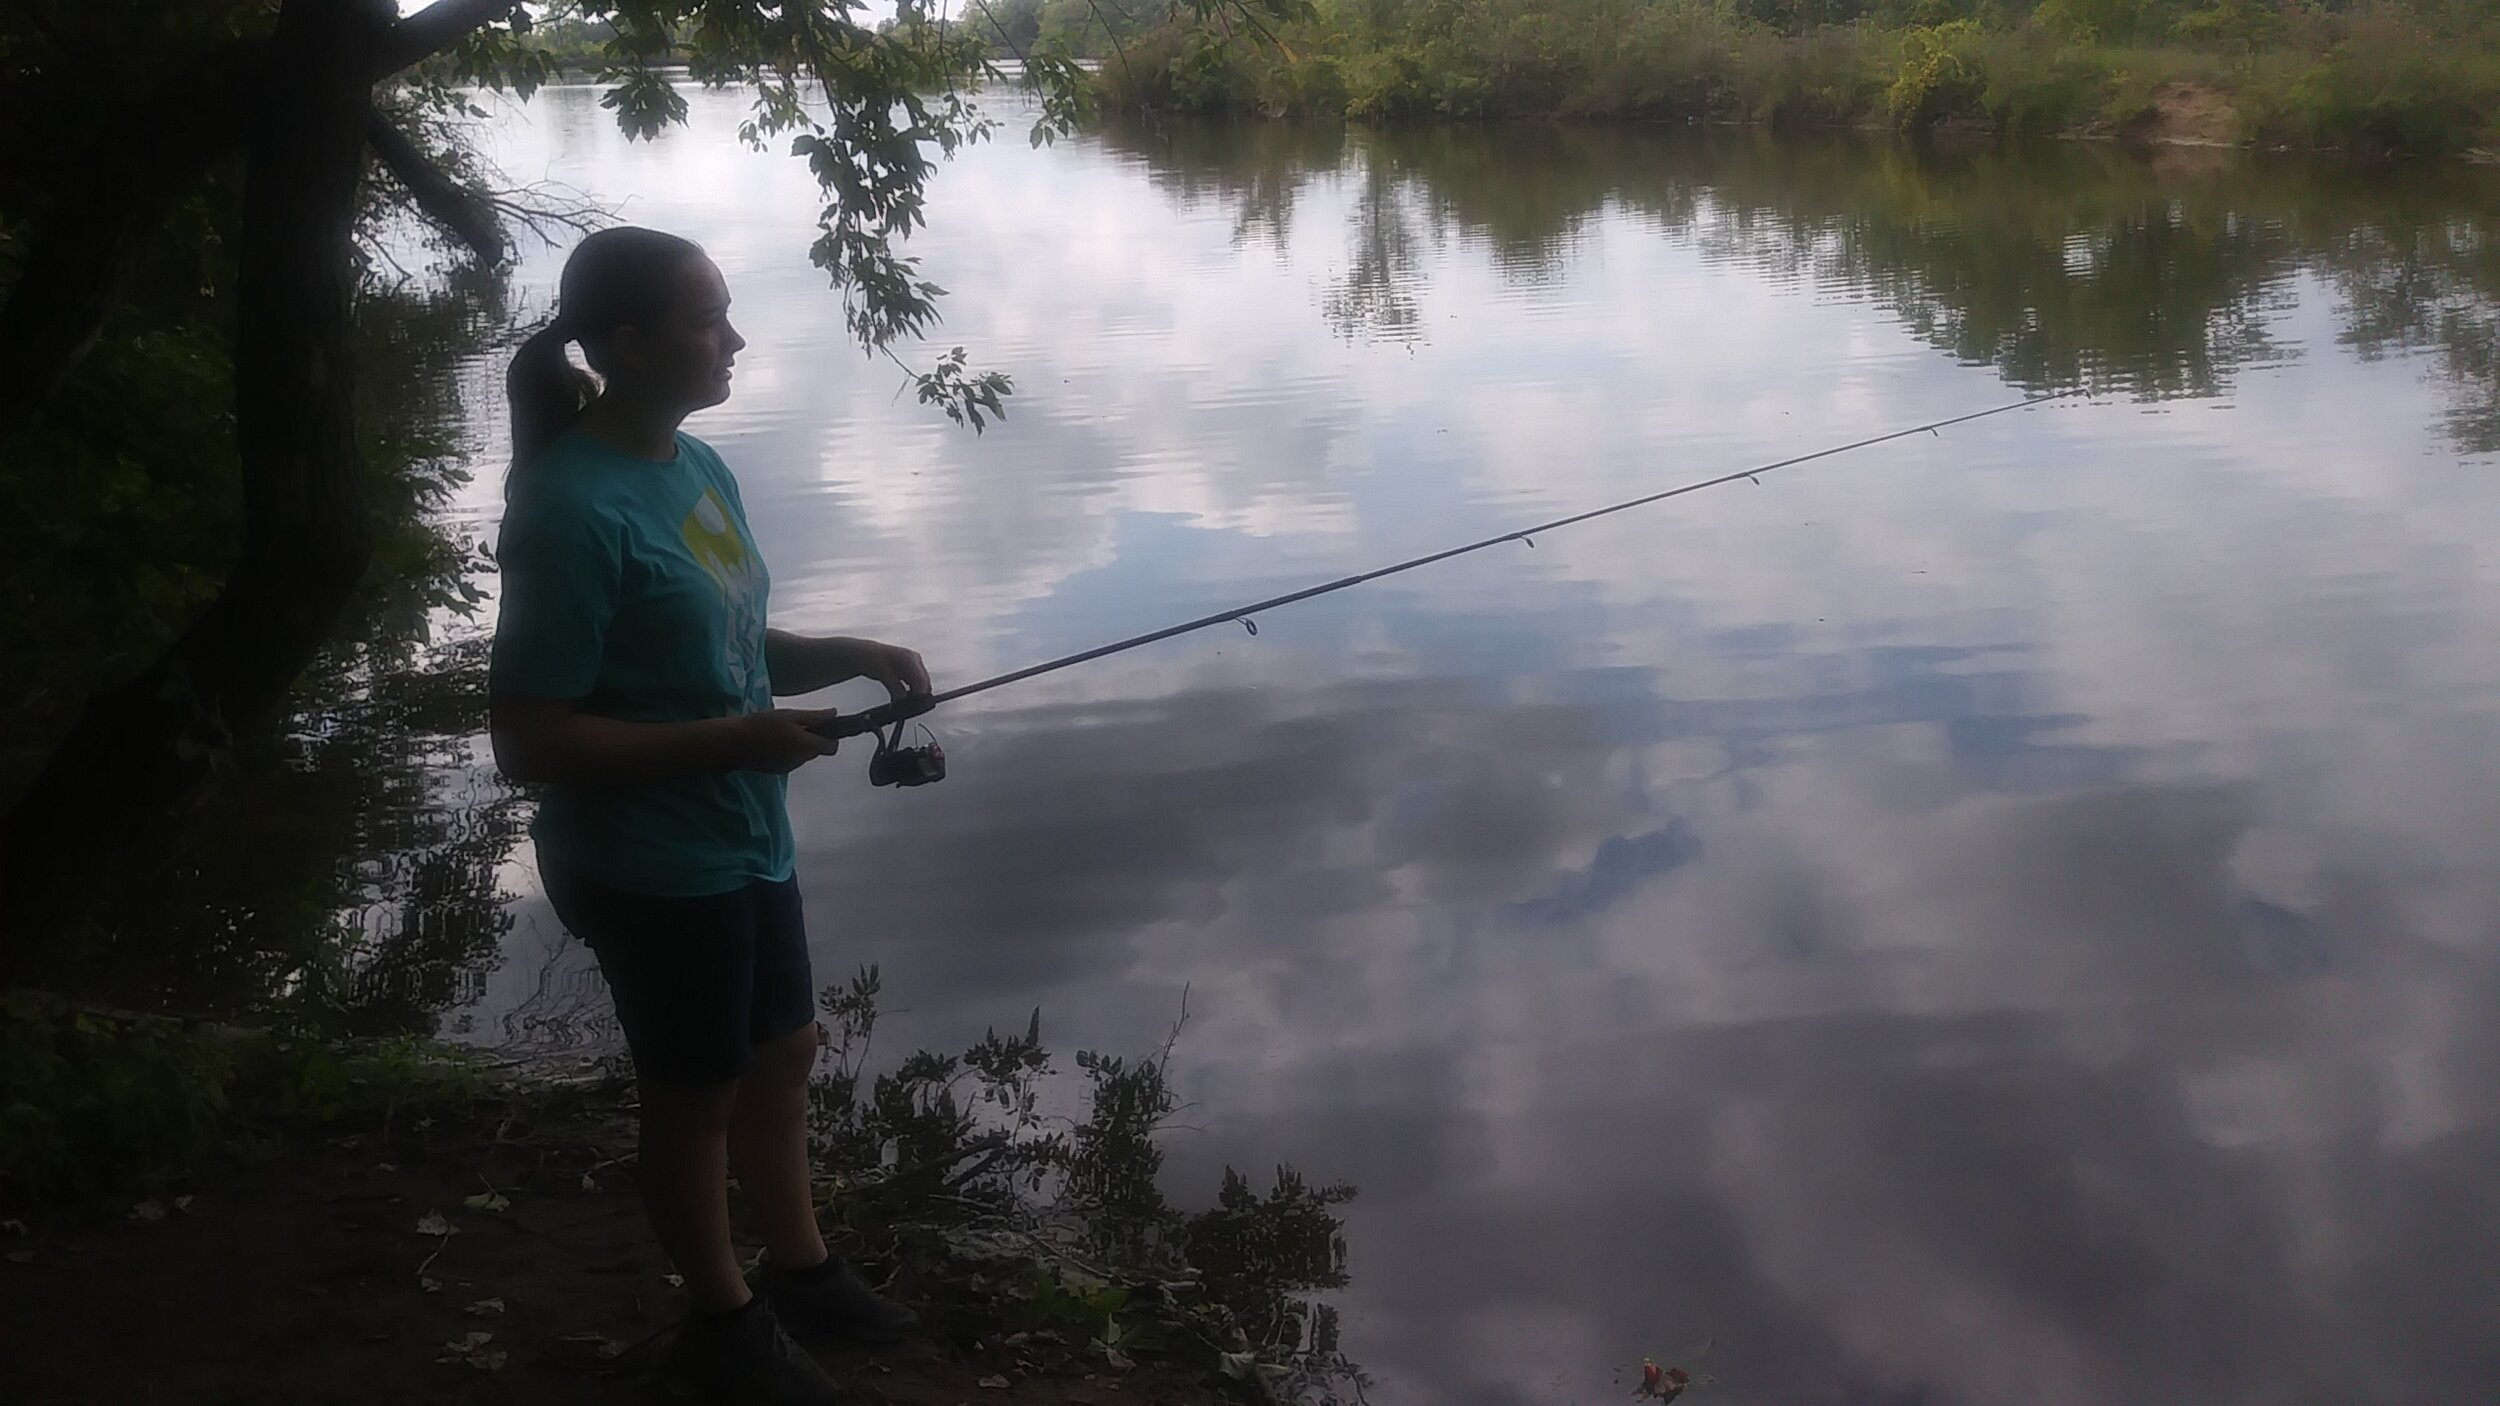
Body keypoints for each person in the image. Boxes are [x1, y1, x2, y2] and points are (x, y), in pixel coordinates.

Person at [489, 226, 923, 1405]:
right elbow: (528, 738)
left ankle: (803, 1270)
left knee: (784, 1049)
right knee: (694, 1094)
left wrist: (847, 653)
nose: (733, 339)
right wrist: (730, 741)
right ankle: (723, 1324)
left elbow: (730, 637)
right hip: (643, 858)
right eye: (706, 319)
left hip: (739, 830)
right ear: (628, 344)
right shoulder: (568, 511)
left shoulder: (696, 467)